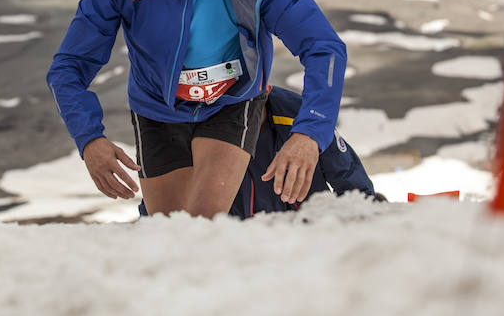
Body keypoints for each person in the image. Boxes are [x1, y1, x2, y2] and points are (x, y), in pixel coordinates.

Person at [47, 0, 347, 218]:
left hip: (232, 100)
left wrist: (310, 134)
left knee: (202, 222)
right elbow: (69, 66)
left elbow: (324, 46)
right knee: (169, 231)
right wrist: (90, 140)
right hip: (158, 109)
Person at [139, 85, 379, 218]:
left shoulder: (301, 118)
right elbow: (159, 208)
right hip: (239, 254)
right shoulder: (195, 132)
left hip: (309, 245)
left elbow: (354, 187)